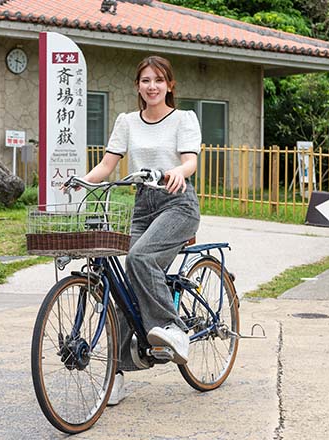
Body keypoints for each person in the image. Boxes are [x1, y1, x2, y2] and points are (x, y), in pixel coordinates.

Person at [81, 55, 201, 405]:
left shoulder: (184, 118)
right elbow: (107, 165)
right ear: (138, 86)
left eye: (159, 80)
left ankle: (173, 328)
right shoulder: (127, 121)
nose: (152, 86)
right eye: (146, 80)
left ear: (169, 85)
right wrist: (78, 184)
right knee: (119, 286)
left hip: (177, 202)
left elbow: (190, 160)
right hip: (141, 204)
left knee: (140, 258)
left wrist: (180, 170)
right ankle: (116, 373)